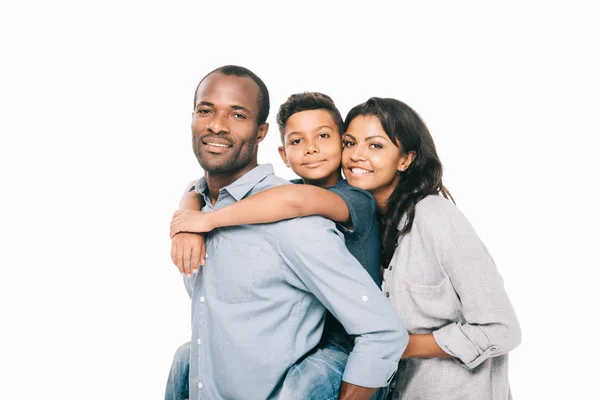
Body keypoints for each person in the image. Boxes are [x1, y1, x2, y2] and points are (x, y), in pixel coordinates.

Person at [166, 66, 408, 400]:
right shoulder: (255, 203)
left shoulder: (323, 210)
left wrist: (206, 221)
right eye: (206, 110)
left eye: (237, 114)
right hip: (301, 348)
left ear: (260, 131)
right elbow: (198, 188)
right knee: (186, 357)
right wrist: (188, 219)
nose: (217, 124)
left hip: (340, 350)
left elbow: (382, 332)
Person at [341, 97, 522, 399]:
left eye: (375, 145)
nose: (356, 155)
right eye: (349, 143)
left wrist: (396, 344)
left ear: (405, 159)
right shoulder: (370, 228)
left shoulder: (436, 217)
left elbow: (502, 329)